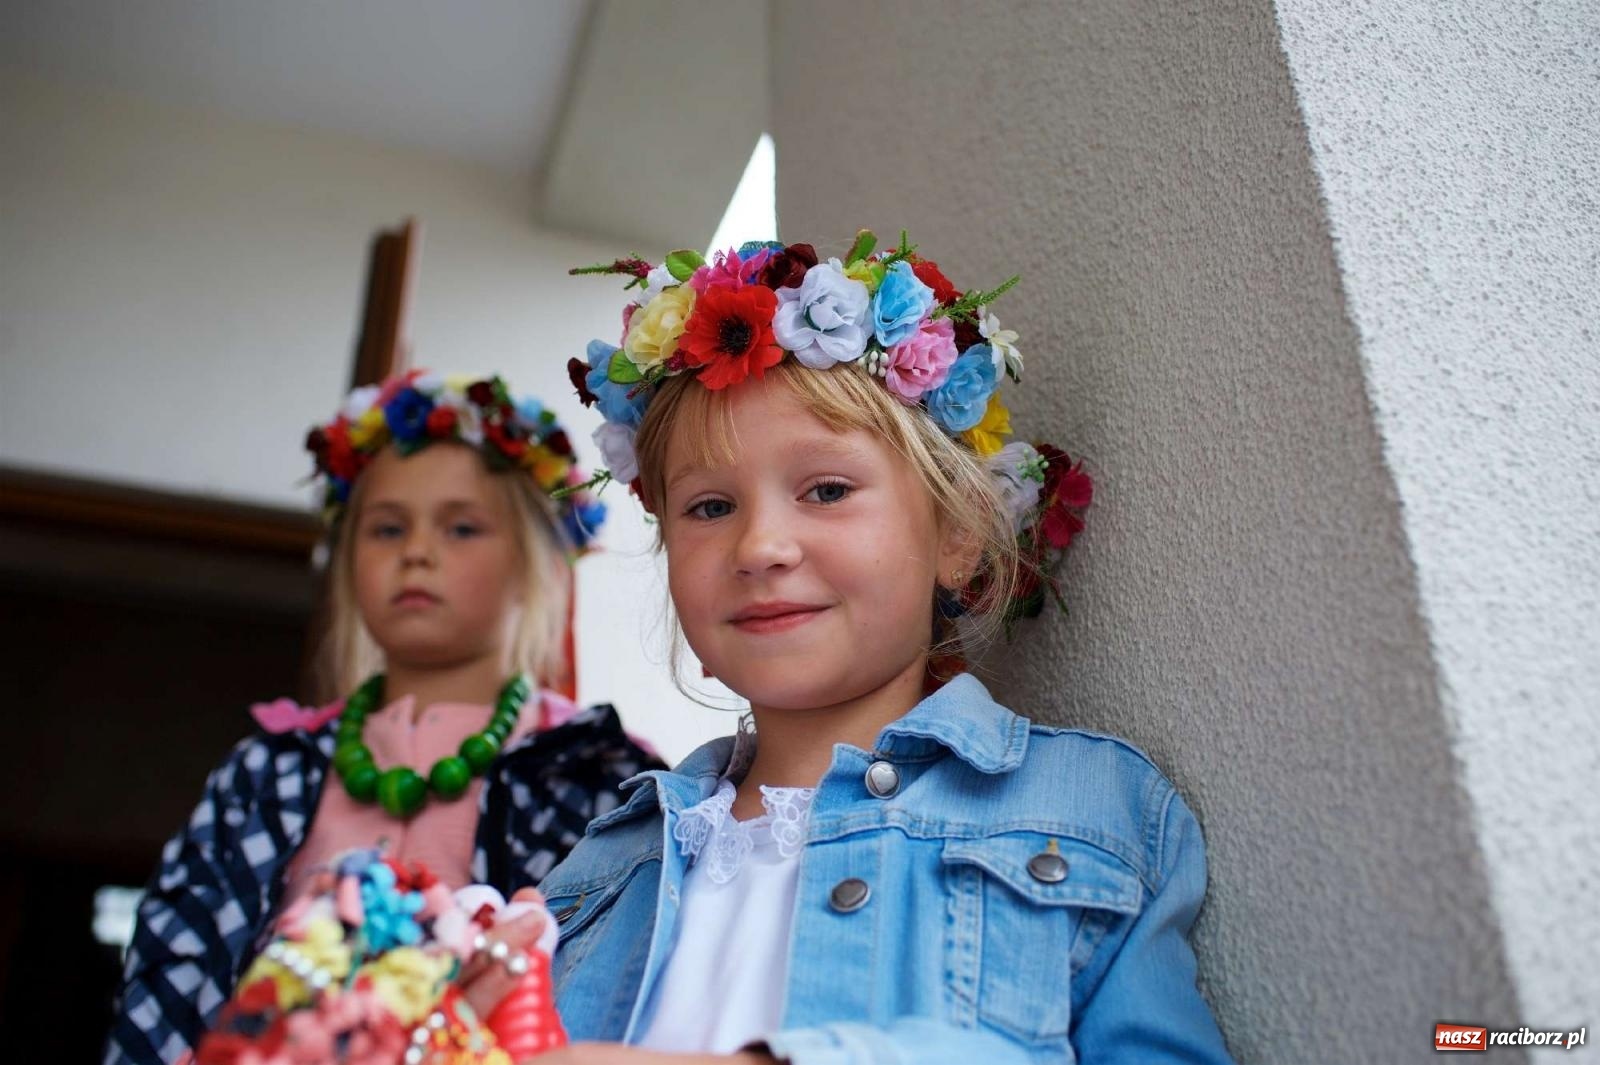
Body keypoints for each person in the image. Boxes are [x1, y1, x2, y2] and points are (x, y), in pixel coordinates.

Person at [531, 235, 1232, 1063]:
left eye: (826, 489)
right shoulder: (594, 868)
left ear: (959, 537)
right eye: (710, 507)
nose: (760, 545)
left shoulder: (1092, 811)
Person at [105, 371, 663, 1064]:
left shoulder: (603, 777)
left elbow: (626, 991)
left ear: (539, 560)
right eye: (387, 527)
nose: (416, 551)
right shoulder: (263, 773)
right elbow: (171, 969)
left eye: (462, 527)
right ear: (348, 560)